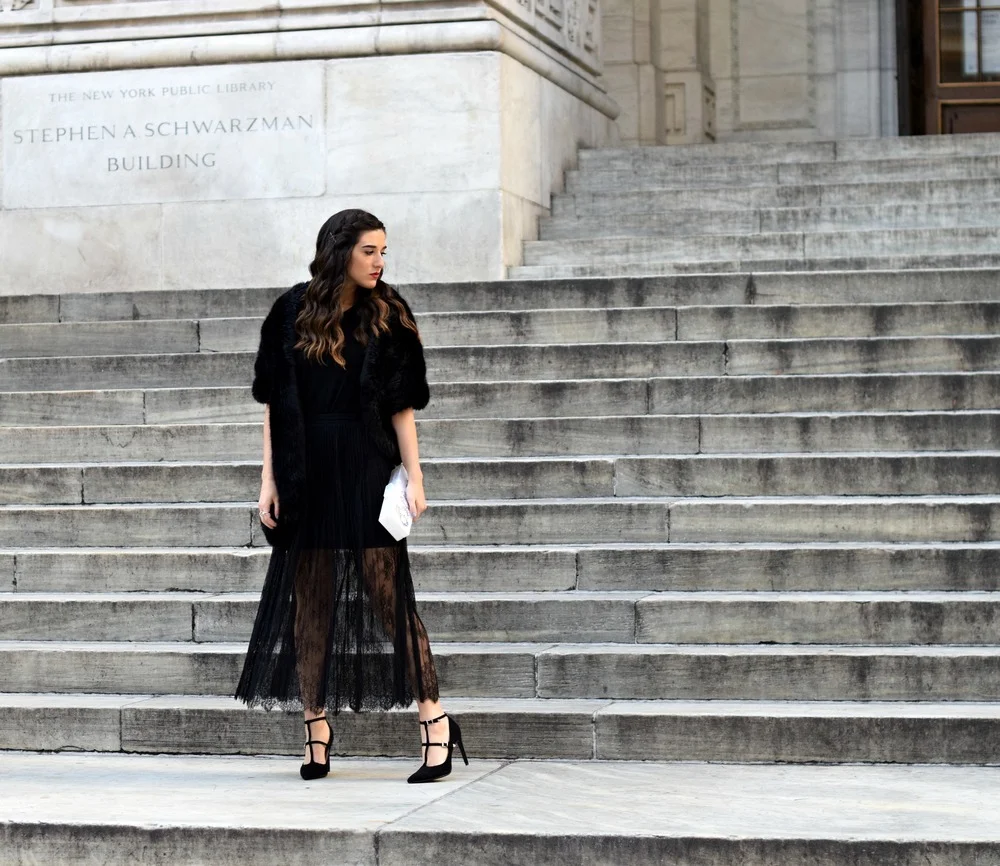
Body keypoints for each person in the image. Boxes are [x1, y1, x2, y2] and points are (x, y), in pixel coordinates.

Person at [234, 208, 468, 784]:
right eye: (369, 250)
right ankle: (315, 728)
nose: (379, 261)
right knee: (309, 601)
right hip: (305, 470)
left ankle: (435, 720)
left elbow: (402, 406)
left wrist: (415, 476)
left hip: (365, 466)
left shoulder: (388, 312)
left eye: (384, 251)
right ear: (339, 251)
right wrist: (268, 480)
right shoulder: (289, 312)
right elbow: (274, 404)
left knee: (389, 597)